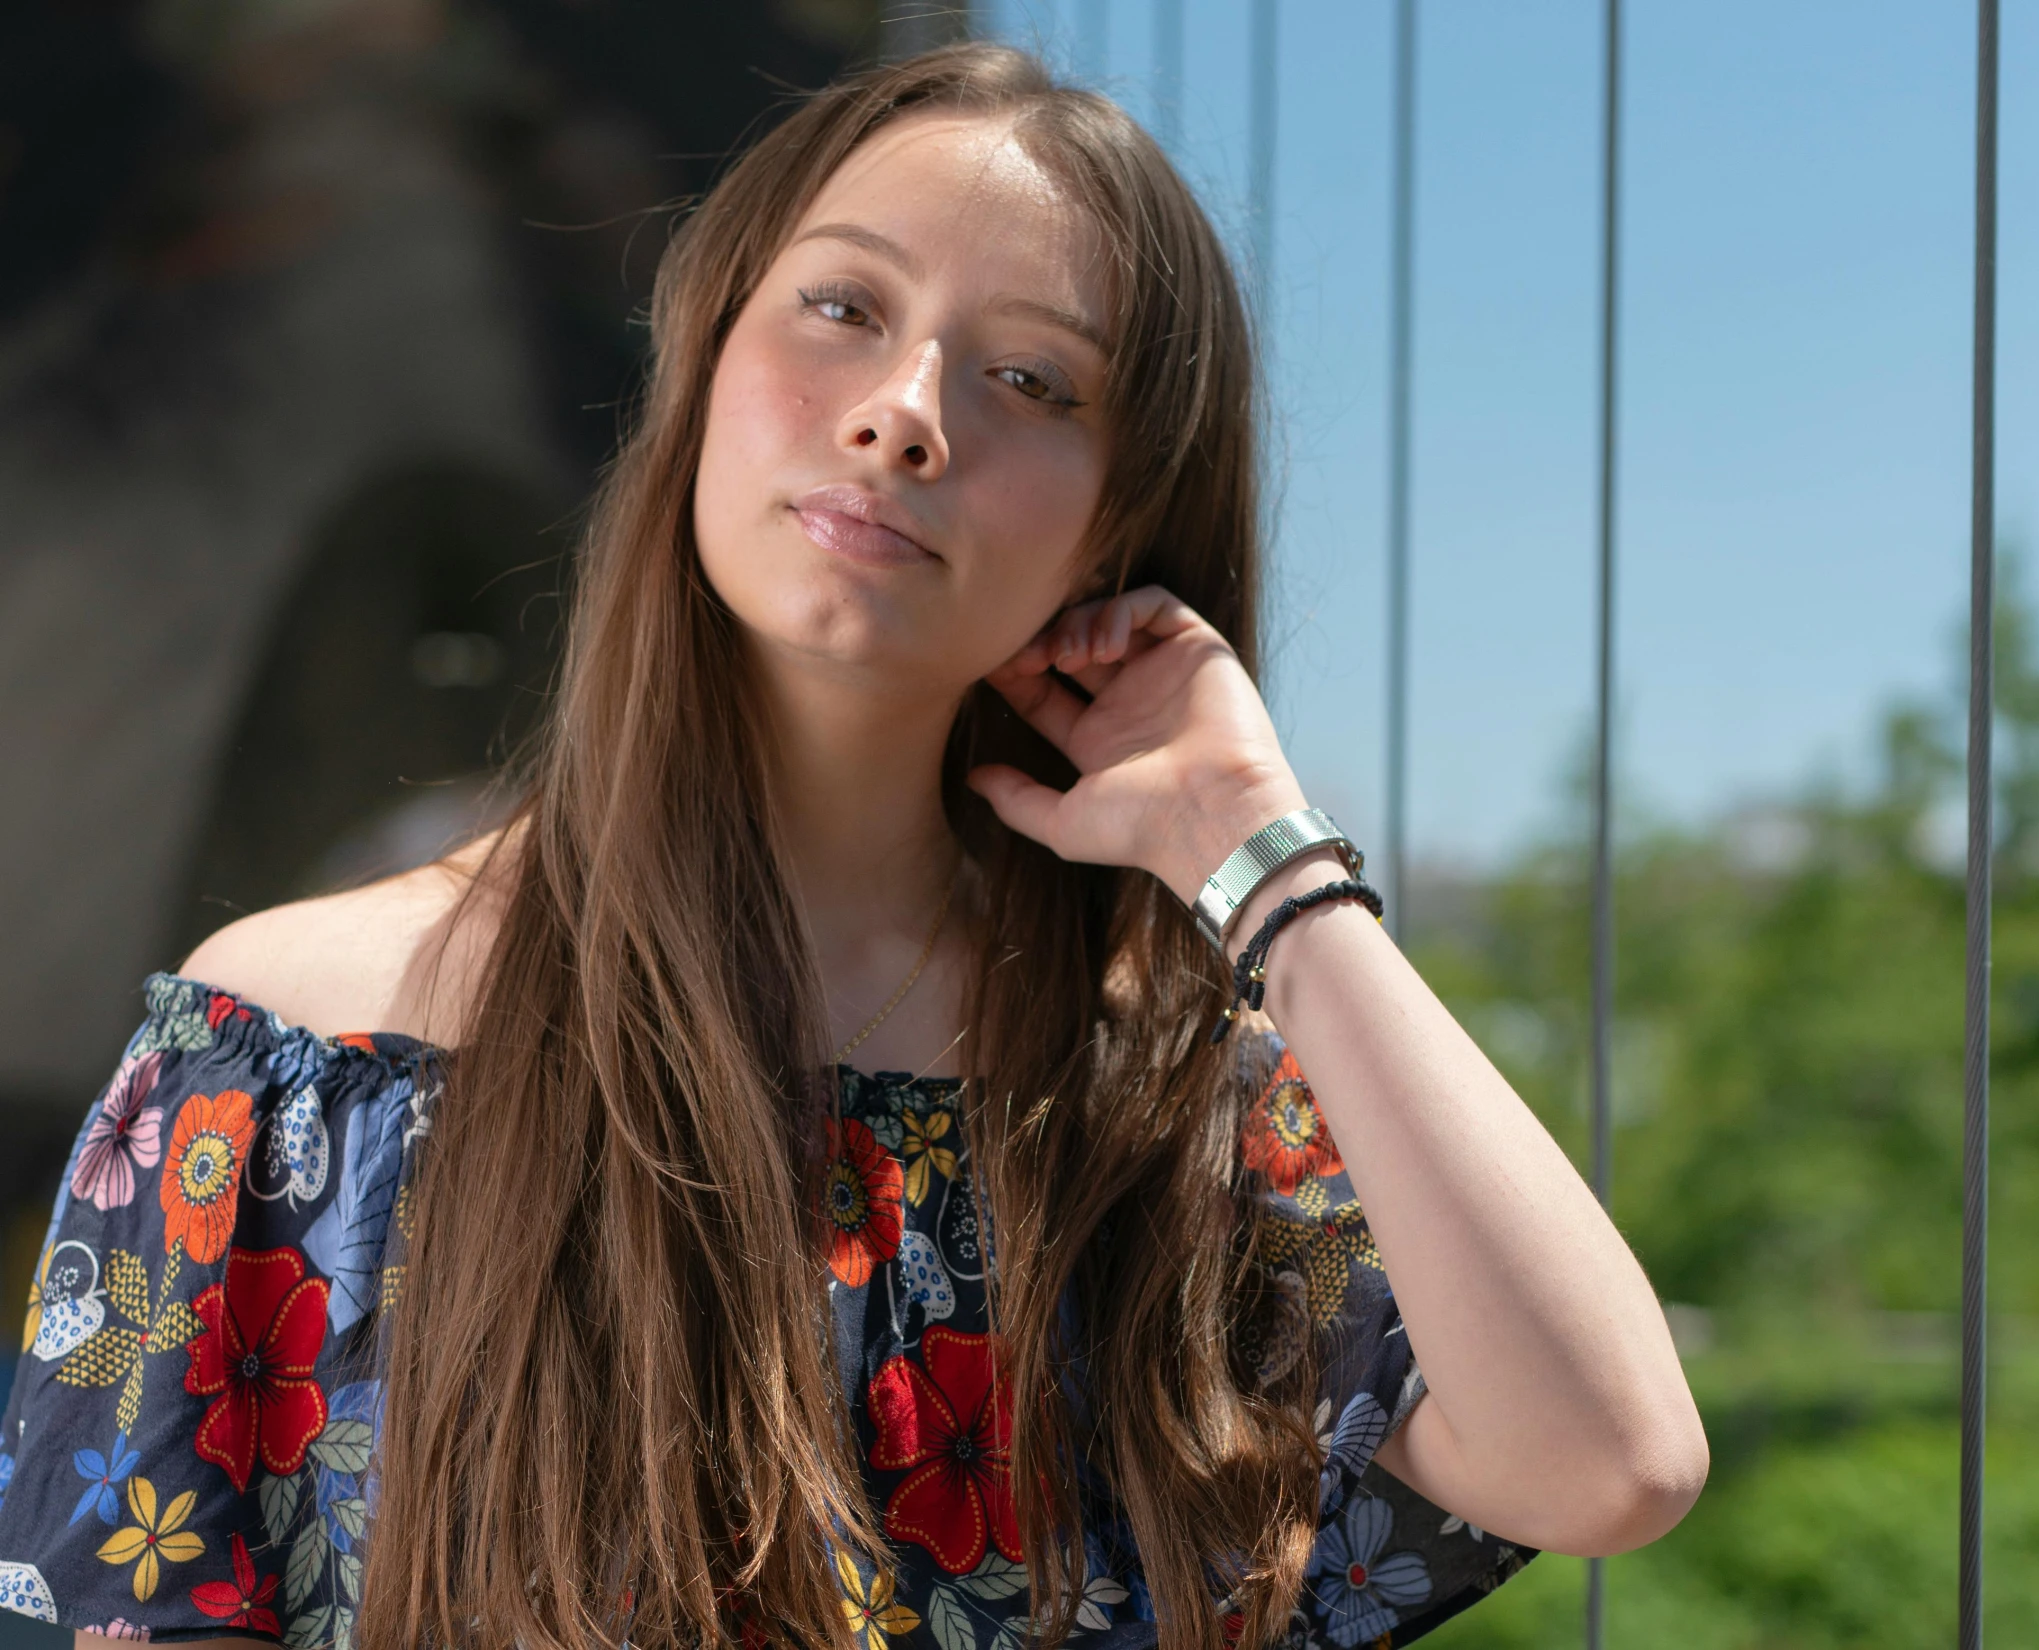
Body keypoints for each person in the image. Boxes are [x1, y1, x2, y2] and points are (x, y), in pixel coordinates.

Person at [0, 41, 1705, 1650]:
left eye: (1030, 376)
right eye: (843, 307)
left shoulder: (1167, 1120)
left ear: (1118, 524)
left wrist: (1261, 860)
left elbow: (1608, 1458)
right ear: (706, 361)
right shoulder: (280, 1057)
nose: (905, 412)